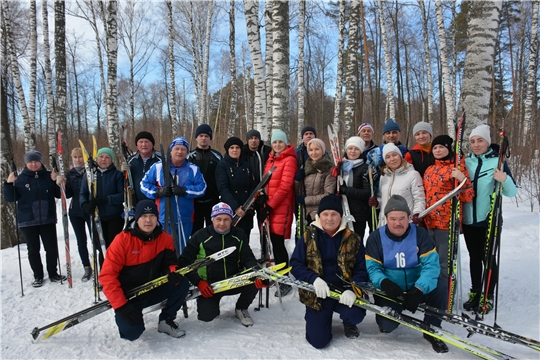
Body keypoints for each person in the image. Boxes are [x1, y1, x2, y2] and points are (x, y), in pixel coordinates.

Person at [365, 194, 449, 353]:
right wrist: (384, 283)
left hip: (416, 287)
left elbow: (431, 266)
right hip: (391, 290)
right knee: (387, 325)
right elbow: (372, 268)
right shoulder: (376, 237)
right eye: (393, 218)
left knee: (440, 285)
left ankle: (432, 329)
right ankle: (389, 316)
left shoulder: (420, 234)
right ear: (386, 218)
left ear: (409, 218)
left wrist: (419, 289)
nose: (398, 223)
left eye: (402, 218)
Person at [99, 200, 190, 341]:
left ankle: (166, 319)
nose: (148, 220)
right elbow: (107, 276)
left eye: (152, 216)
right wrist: (122, 306)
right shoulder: (122, 240)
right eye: (143, 216)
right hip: (130, 296)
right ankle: (131, 315)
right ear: (137, 218)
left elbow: (170, 262)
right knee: (132, 333)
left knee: (181, 282)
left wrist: (171, 271)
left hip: (152, 288)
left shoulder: (165, 238)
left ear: (157, 217)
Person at [291, 194, 367, 348]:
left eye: (334, 214)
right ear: (319, 216)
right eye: (325, 214)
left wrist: (353, 289)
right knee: (318, 341)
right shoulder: (308, 236)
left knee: (356, 314)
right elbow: (296, 264)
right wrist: (314, 279)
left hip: (343, 292)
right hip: (318, 294)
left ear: (341, 216)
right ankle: (316, 318)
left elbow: (362, 268)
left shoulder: (353, 239)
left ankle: (348, 322)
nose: (329, 218)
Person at [177, 202, 266, 327]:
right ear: (212, 219)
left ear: (231, 220)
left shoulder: (238, 234)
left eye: (226, 219)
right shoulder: (200, 236)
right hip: (210, 285)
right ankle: (211, 306)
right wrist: (198, 282)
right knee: (206, 317)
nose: (222, 223)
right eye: (218, 219)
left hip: (233, 279)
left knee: (253, 280)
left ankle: (241, 308)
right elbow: (183, 262)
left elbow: (247, 257)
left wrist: (256, 272)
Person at [462, 125, 517, 314]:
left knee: (489, 259)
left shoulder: (497, 162)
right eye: (472, 141)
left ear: (487, 142)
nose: (476, 145)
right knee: (474, 258)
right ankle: (475, 291)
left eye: (480, 141)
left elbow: (512, 192)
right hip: (469, 220)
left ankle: (488, 295)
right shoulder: (466, 162)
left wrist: (504, 179)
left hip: (489, 220)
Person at [4, 150, 66, 287]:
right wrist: (9, 183)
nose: (33, 164)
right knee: (33, 249)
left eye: (36, 161)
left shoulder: (49, 175)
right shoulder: (19, 178)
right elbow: (10, 198)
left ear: (40, 162)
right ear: (26, 163)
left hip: (47, 218)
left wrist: (57, 182)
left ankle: (53, 273)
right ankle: (38, 275)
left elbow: (58, 195)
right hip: (28, 219)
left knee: (51, 248)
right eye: (30, 162)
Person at [423, 135, 474, 284]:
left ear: (448, 148)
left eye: (441, 147)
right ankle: (432, 291)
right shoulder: (430, 169)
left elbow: (468, 196)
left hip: (447, 223)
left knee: (444, 262)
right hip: (429, 221)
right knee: (430, 260)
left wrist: (462, 178)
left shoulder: (457, 168)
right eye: (435, 148)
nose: (438, 150)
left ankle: (446, 293)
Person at [141, 137, 207, 253]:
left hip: (185, 216)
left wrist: (184, 191)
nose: (180, 152)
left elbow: (202, 188)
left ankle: (180, 268)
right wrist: (158, 192)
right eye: (177, 149)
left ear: (187, 152)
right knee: (163, 248)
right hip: (164, 217)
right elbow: (143, 184)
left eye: (183, 149)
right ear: (171, 151)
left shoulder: (193, 169)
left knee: (182, 249)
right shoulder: (158, 167)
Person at [259, 129, 298, 296]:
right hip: (268, 206)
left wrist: (270, 205)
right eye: (275, 142)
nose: (277, 145)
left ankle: (284, 279)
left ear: (285, 143)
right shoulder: (269, 160)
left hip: (281, 207)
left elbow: (284, 187)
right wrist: (262, 199)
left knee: (278, 243)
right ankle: (270, 273)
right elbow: (265, 182)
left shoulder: (289, 160)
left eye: (280, 142)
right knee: (268, 242)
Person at [80, 147, 124, 268]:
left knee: (113, 247)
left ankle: (116, 273)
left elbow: (122, 196)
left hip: (114, 216)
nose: (103, 159)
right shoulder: (89, 175)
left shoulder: (117, 175)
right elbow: (83, 193)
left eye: (107, 157)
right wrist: (85, 204)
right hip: (97, 217)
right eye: (101, 156)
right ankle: (104, 274)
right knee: (101, 247)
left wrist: (105, 200)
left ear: (111, 160)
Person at [374, 143, 425, 228]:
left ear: (400, 156)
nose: (392, 159)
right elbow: (382, 198)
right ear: (385, 160)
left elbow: (419, 199)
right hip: (385, 223)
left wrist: (417, 213)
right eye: (388, 157)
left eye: (394, 155)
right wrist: (377, 203)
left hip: (404, 223)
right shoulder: (384, 177)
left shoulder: (413, 175)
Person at [216, 137, 257, 238]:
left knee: (244, 240)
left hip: (246, 210)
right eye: (232, 147)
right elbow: (223, 188)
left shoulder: (247, 166)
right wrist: (235, 207)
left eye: (237, 147)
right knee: (231, 240)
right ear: (227, 149)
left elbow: (253, 186)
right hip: (231, 211)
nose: (235, 150)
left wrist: (250, 204)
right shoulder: (222, 165)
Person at [339, 136, 378, 240]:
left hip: (358, 213)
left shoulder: (365, 168)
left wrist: (346, 190)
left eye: (356, 149)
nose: (353, 151)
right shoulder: (341, 166)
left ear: (361, 151)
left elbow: (367, 193)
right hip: (341, 210)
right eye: (350, 148)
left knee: (356, 240)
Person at [187, 124, 222, 235]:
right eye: (201, 135)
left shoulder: (217, 156)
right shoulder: (189, 157)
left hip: (212, 201)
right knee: (195, 233)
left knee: (213, 232)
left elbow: (221, 178)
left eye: (206, 136)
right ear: (196, 137)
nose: (203, 138)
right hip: (194, 202)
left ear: (210, 138)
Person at [64, 147, 92, 282]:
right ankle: (86, 266)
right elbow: (67, 194)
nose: (78, 160)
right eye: (75, 157)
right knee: (81, 241)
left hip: (90, 209)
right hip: (75, 211)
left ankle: (101, 264)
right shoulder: (70, 174)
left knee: (96, 239)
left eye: (80, 157)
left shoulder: (91, 171)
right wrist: (61, 183)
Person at [294, 138, 335, 223]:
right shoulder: (307, 167)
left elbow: (328, 195)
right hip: (307, 213)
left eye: (317, 149)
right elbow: (299, 190)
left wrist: (305, 200)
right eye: (311, 150)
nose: (314, 153)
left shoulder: (328, 168)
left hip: (321, 212)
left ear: (323, 150)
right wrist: (297, 181)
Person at [126, 131, 162, 205]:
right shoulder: (131, 160)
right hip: (137, 203)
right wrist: (123, 172)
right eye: (141, 142)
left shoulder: (161, 159)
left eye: (146, 141)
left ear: (152, 144)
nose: (144, 144)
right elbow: (126, 182)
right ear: (137, 145)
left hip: (157, 202)